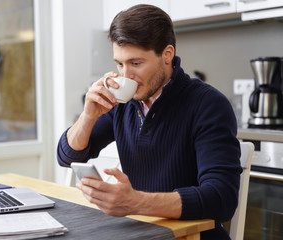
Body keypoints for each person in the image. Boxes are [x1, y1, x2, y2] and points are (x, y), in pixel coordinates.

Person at [57, 4, 242, 239]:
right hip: (142, 233)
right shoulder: (123, 103)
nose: (126, 76)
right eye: (119, 64)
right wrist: (88, 116)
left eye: (135, 63)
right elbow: (67, 157)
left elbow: (221, 199)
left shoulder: (208, 104)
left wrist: (136, 202)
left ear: (167, 54)